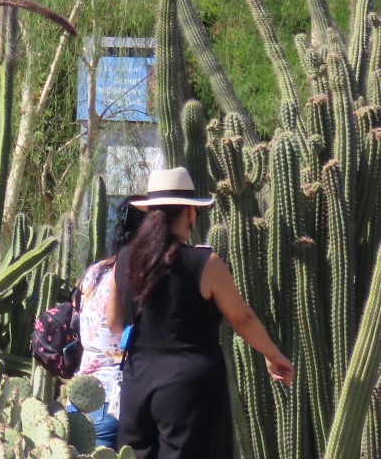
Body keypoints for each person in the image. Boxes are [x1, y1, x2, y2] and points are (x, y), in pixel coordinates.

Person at [107, 167, 294, 459]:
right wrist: (273, 355)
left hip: (136, 383)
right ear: (190, 214)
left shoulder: (124, 259)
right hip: (189, 387)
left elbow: (113, 321)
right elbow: (240, 317)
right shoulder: (204, 263)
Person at [72, 201, 145, 445]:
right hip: (111, 398)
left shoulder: (95, 270)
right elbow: (115, 324)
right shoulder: (131, 273)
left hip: (79, 394)